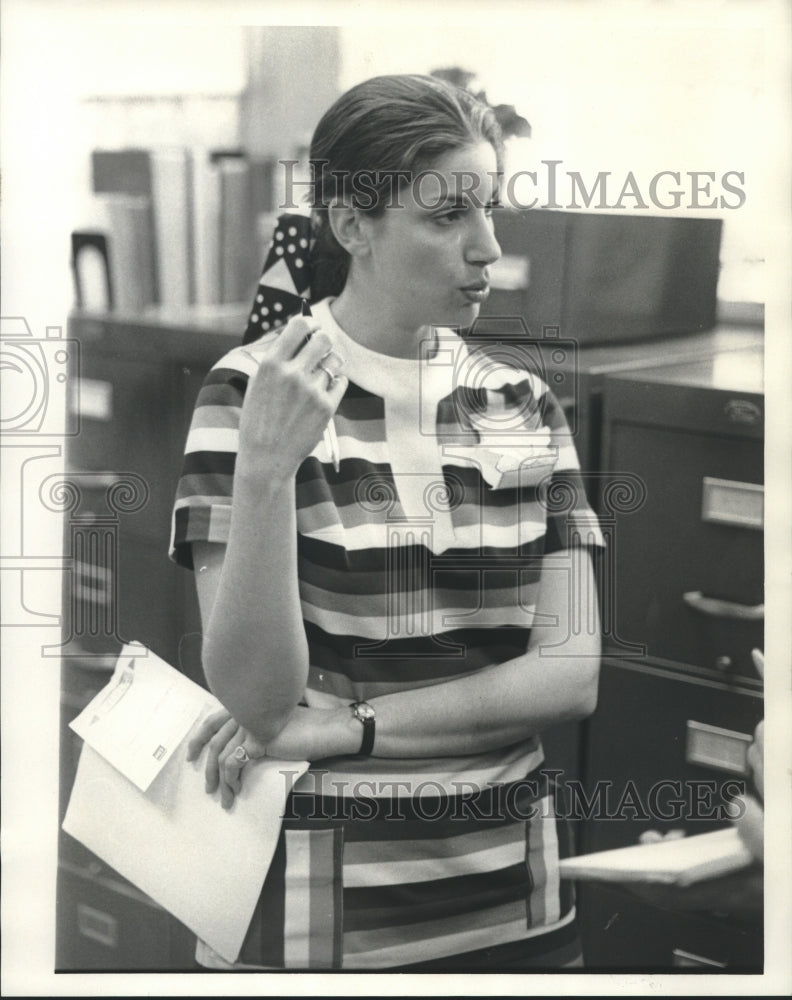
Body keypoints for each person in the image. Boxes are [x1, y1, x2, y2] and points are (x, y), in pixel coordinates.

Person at [169, 73, 604, 972]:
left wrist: (347, 723)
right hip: (314, 922)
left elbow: (569, 677)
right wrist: (263, 474)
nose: (487, 249)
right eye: (446, 218)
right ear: (352, 226)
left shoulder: (524, 401)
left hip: (513, 905)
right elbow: (256, 700)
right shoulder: (249, 395)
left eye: (489, 210)